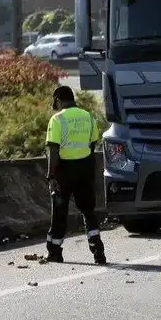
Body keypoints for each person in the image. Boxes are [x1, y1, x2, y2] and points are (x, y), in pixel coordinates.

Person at [45, 86, 106, 264]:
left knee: (59, 213)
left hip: (64, 172)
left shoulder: (57, 119)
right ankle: (98, 252)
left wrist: (51, 175)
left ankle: (55, 253)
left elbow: (53, 149)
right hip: (85, 169)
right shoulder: (87, 116)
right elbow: (92, 143)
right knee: (88, 211)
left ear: (58, 100)